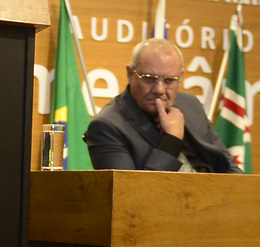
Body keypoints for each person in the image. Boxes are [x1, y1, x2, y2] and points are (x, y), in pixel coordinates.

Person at [84, 38, 240, 172]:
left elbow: (229, 167)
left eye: (169, 81)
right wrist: (172, 140)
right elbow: (129, 193)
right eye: (149, 78)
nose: (159, 90)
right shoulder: (107, 126)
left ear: (181, 77)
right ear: (130, 74)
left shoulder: (189, 104)